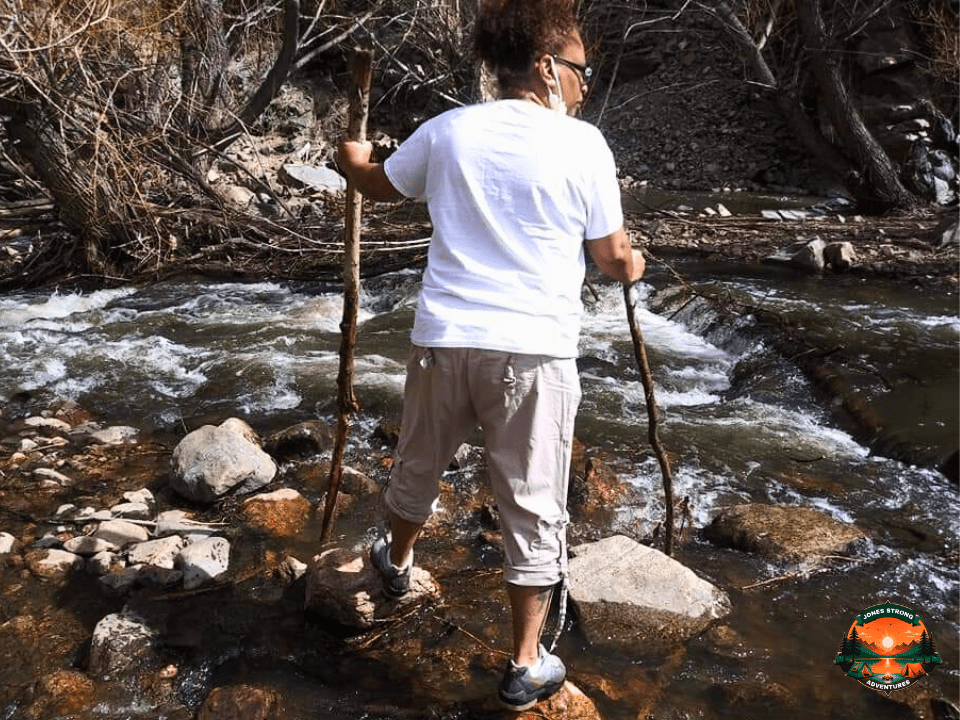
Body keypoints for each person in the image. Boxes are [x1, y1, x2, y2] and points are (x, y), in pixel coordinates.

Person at [337, 0, 644, 711]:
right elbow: (608, 257)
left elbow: (381, 184)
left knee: (418, 463)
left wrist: (351, 160)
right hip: (532, 352)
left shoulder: (448, 131)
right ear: (545, 67)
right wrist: (633, 266)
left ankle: (398, 562)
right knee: (532, 504)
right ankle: (525, 662)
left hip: (444, 340)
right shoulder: (585, 146)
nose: (583, 84)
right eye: (578, 69)